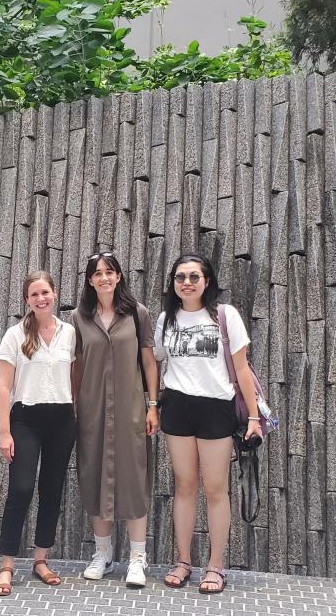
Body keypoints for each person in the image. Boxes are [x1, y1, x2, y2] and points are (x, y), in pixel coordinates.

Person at [154, 253, 263, 595]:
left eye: (193, 276)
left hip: (216, 407)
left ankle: (215, 566)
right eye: (180, 277)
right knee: (184, 486)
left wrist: (255, 417)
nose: (186, 282)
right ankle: (183, 561)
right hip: (177, 406)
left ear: (207, 281)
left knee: (216, 489)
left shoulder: (224, 315)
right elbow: (157, 361)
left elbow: (241, 368)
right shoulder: (165, 319)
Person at [70, 251, 160, 587]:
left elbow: (149, 363)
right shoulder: (80, 317)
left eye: (109, 272)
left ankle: (137, 559)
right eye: (97, 273)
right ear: (90, 280)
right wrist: (73, 404)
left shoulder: (138, 314)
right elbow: (76, 365)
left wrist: (153, 405)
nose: (104, 278)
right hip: (92, 411)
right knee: (94, 477)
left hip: (131, 409)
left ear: (119, 276)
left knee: (134, 479)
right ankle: (103, 554)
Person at [0, 271, 78, 597]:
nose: (41, 299)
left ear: (54, 294)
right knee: (21, 488)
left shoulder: (69, 333)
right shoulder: (15, 335)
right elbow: (3, 386)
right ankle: (7, 565)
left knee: (52, 490)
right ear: (27, 300)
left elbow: (75, 377)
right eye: (34, 295)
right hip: (25, 419)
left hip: (61, 419)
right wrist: (4, 432)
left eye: (45, 293)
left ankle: (41, 560)